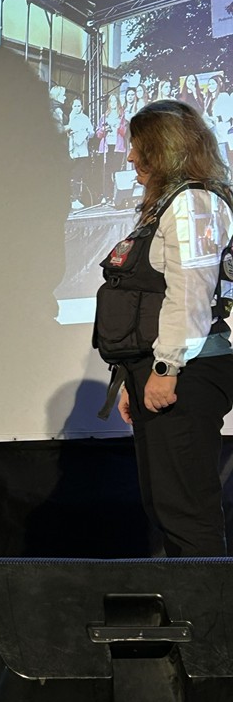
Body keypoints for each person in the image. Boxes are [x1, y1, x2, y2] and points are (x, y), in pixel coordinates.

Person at [93, 100, 233, 556]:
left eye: (138, 146)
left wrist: (166, 368)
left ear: (164, 149)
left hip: (190, 372)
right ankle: (186, 601)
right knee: (165, 505)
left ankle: (210, 605)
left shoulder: (194, 202)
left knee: (186, 509)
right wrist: (134, 376)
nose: (131, 156)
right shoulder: (166, 206)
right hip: (161, 369)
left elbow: (190, 294)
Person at [63, 98, 94, 210]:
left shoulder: (85, 118)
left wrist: (86, 133)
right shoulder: (69, 117)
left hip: (82, 150)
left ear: (82, 107)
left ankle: (78, 198)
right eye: (75, 106)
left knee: (79, 174)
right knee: (73, 174)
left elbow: (92, 132)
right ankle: (73, 199)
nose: (77, 108)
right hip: (73, 150)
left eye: (79, 106)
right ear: (72, 107)